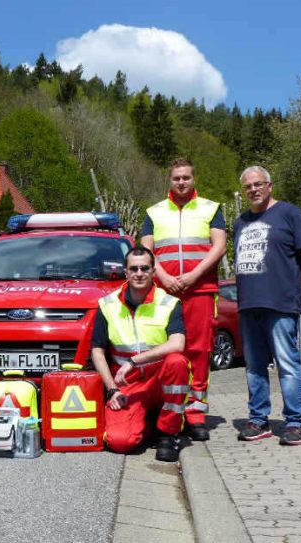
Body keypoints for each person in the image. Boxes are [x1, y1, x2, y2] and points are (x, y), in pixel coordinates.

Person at [234, 166, 301, 446]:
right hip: (249, 304)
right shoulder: (240, 222)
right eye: (248, 186)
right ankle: (258, 420)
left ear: (270, 185)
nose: (253, 190)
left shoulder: (289, 213)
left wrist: (297, 286)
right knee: (254, 366)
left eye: (258, 184)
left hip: (280, 303)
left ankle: (296, 423)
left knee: (287, 363)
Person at [141, 158, 226, 441]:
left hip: (200, 290)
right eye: (177, 178)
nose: (181, 182)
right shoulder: (153, 212)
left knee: (199, 352)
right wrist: (162, 277)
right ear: (170, 180)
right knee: (164, 352)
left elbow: (219, 246)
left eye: (186, 177)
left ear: (194, 179)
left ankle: (195, 415)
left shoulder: (210, 208)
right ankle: (166, 413)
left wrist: (194, 275)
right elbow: (146, 252)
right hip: (165, 292)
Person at [91, 246, 192, 462]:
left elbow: (178, 343)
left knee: (177, 362)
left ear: (153, 271)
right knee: (120, 442)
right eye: (134, 269)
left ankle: (168, 433)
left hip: (160, 378)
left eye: (144, 268)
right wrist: (111, 390)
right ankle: (147, 423)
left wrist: (134, 361)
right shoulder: (107, 305)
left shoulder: (169, 303)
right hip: (129, 385)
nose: (139, 273)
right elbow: (97, 351)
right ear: (125, 272)